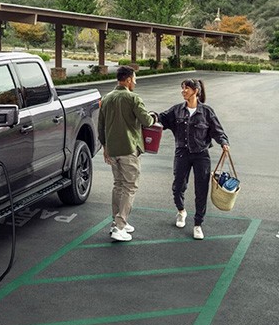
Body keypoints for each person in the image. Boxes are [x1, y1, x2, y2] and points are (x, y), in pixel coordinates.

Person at [157, 79, 229, 240]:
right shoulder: (177, 110)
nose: (183, 91)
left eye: (187, 88)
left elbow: (218, 131)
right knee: (178, 187)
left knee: (201, 190)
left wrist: (224, 143)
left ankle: (198, 224)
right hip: (182, 153)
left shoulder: (206, 112)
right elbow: (161, 118)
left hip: (201, 155)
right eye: (182, 88)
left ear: (196, 91)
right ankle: (181, 211)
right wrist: (151, 116)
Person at [98, 66, 156, 242]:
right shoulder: (133, 98)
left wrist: (105, 147)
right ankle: (120, 226)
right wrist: (154, 117)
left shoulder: (106, 99)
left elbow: (100, 126)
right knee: (130, 187)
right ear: (129, 80)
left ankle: (116, 222)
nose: (136, 82)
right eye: (135, 79)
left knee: (118, 185)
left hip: (112, 150)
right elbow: (147, 121)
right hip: (128, 149)